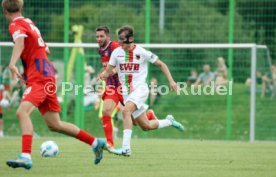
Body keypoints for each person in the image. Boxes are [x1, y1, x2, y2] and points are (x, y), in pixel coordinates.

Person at [2, 0, 105, 169]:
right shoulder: (29, 22)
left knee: (22, 112)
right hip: (47, 74)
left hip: (40, 77)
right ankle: (95, 143)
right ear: (21, 8)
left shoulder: (15, 25)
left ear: (4, 11)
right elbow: (45, 49)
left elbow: (20, 41)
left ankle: (26, 156)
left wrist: (13, 63)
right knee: (55, 124)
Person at [99, 26, 184, 156]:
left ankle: (126, 148)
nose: (121, 43)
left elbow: (162, 64)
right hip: (126, 93)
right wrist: (103, 75)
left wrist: (171, 81)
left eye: (123, 40)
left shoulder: (142, 52)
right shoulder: (116, 53)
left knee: (126, 111)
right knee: (146, 126)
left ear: (131, 38)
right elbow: (109, 70)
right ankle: (169, 121)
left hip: (140, 89)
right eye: (119, 40)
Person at [95, 26, 158, 150]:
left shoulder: (116, 47)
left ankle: (149, 115)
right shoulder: (101, 50)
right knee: (106, 111)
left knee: (136, 122)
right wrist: (104, 73)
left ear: (108, 37)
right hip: (112, 87)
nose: (99, 39)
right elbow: (109, 67)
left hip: (126, 87)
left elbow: (125, 62)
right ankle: (110, 144)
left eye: (101, 36)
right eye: (97, 36)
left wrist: (113, 71)